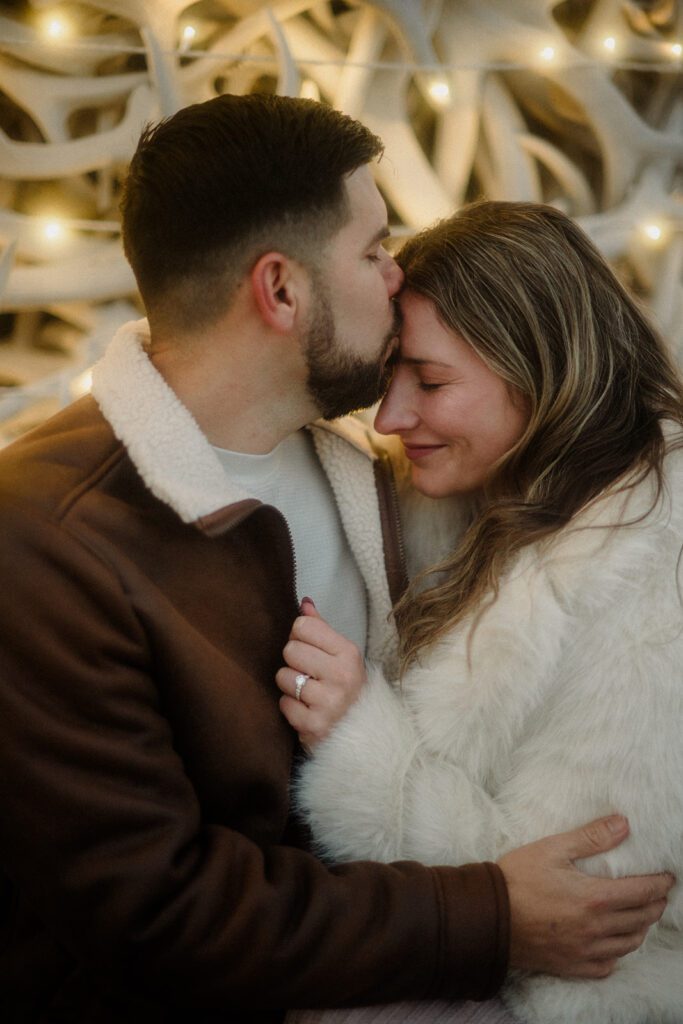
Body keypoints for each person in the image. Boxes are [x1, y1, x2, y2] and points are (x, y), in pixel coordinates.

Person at [0, 98, 672, 1024]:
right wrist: (487, 915)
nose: (396, 274)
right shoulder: (46, 534)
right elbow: (155, 910)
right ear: (279, 290)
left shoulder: (381, 475)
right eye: (371, 249)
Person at [278, 200, 683, 1024]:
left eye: (428, 381)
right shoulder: (482, 505)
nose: (389, 419)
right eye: (390, 377)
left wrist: (363, 748)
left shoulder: (654, 571)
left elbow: (582, 908)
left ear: (540, 369)